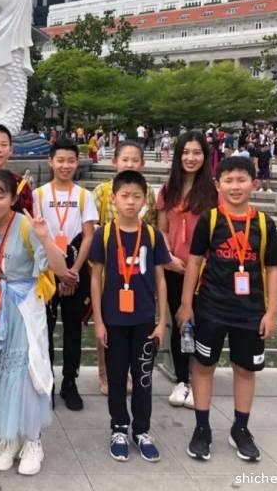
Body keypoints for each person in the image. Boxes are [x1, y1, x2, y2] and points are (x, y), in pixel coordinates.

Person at [177, 157, 277, 462]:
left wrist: (272, 313)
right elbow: (194, 263)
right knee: (203, 366)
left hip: (251, 311)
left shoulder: (264, 223)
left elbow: (274, 269)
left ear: (254, 183)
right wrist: (186, 304)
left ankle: (241, 428)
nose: (235, 187)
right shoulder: (210, 219)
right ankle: (202, 428)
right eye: (228, 180)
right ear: (218, 185)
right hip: (211, 307)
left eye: (241, 180)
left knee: (245, 370)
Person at [0, 170, 69, 477]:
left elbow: (60, 268)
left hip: (23, 310)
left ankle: (33, 441)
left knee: (26, 375)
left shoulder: (26, 225)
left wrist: (45, 238)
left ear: (13, 198)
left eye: (0, 196)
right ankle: (9, 438)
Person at [90, 170, 169, 462]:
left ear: (145, 199)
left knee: (143, 377)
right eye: (125, 196)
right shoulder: (103, 234)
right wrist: (99, 321)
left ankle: (142, 430)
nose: (131, 202)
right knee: (116, 377)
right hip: (113, 320)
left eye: (137, 196)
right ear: (114, 198)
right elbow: (95, 279)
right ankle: (119, 428)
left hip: (144, 320)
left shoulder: (152, 235)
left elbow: (160, 279)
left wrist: (161, 321)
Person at [156, 131, 218, 409]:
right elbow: (162, 229)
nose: (191, 158)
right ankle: (182, 379)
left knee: (203, 324)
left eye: (197, 153)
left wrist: (203, 263)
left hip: (204, 271)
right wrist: (168, 257)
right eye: (186, 152)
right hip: (174, 268)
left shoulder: (213, 193)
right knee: (181, 323)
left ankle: (198, 380)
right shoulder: (167, 190)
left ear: (205, 156)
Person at [34, 139, 96, 411]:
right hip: (47, 269)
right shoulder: (38, 195)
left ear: (77, 162)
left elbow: (89, 235)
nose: (65, 165)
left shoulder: (84, 196)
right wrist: (57, 272)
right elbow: (36, 235)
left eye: (71, 160)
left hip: (75, 268)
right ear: (50, 161)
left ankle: (70, 381)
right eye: (60, 160)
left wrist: (73, 272)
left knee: (73, 329)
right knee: (44, 329)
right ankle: (46, 382)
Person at [91, 140, 157, 395]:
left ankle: (128, 372)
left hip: (137, 270)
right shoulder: (102, 191)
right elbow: (92, 227)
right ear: (114, 162)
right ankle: (105, 373)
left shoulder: (147, 193)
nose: (129, 164)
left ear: (143, 163)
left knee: (135, 325)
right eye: (125, 159)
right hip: (109, 270)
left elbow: (152, 227)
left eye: (135, 160)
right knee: (107, 324)